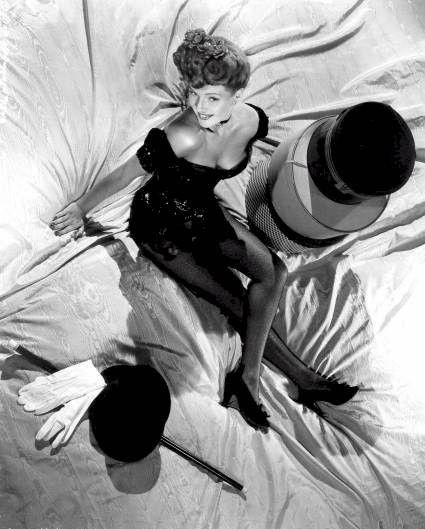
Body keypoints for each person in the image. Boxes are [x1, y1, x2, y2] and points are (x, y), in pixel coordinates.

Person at [50, 29, 358, 431]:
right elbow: (125, 175)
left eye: (211, 97)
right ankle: (296, 380)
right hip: (160, 226)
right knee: (233, 298)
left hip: (202, 213)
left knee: (275, 273)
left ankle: (252, 376)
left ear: (238, 94)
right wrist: (80, 208)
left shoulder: (252, 121)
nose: (199, 106)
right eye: (193, 94)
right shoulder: (179, 134)